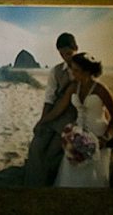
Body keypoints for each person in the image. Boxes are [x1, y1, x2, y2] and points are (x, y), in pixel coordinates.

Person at [36, 53, 113, 188]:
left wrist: (106, 137)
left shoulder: (101, 89)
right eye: (72, 69)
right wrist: (43, 120)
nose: (72, 73)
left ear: (87, 72)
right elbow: (58, 109)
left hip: (98, 136)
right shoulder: (74, 87)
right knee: (71, 173)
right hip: (77, 135)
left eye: (76, 70)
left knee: (94, 176)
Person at [24, 32, 79, 186]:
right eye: (62, 54)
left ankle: (44, 183)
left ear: (76, 48)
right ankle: (32, 183)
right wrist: (43, 121)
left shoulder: (83, 70)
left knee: (52, 152)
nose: (66, 57)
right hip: (55, 114)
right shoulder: (56, 71)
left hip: (71, 117)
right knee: (37, 145)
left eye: (68, 53)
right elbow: (49, 99)